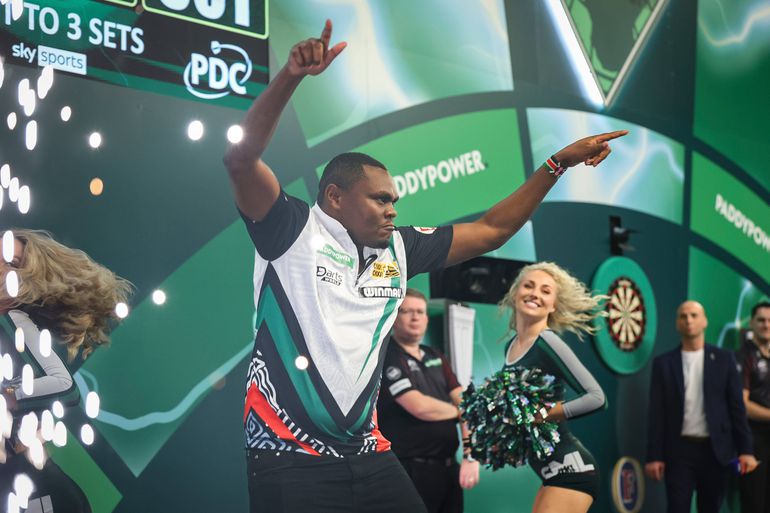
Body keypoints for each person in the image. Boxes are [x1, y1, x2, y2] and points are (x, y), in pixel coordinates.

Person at [223, 19, 627, 513]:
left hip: (368, 455)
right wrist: (290, 76)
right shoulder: (290, 229)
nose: (393, 210)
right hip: (288, 457)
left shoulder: (401, 248)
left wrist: (557, 163)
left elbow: (493, 229)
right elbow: (240, 160)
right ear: (334, 197)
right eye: (380, 199)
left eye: (395, 200)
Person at [0, 229, 132, 513]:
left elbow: (64, 386)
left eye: (11, 262)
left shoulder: (14, 320)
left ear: (25, 281)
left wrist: (8, 395)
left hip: (33, 486)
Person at [497, 262, 606, 513]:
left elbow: (597, 397)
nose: (535, 294)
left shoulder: (547, 342)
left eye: (545, 291)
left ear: (553, 305)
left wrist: (543, 415)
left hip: (571, 469)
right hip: (551, 471)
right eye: (529, 286)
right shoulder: (511, 346)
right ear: (515, 292)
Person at [645, 300, 758, 513]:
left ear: (705, 321)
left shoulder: (724, 359)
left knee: (710, 508)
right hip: (678, 452)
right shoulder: (664, 363)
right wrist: (654, 456)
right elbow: (657, 413)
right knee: (677, 508)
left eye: (694, 315)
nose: (688, 320)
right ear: (677, 323)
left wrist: (746, 450)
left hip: (715, 451)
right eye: (683, 316)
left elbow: (737, 409)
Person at [377, 288, 479, 513]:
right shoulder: (387, 355)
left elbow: (465, 401)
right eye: (407, 311)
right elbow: (419, 407)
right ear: (394, 317)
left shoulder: (435, 355)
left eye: (420, 312)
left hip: (449, 467)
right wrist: (459, 410)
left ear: (426, 318)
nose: (415, 317)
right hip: (411, 470)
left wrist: (470, 455)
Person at [738, 301, 770, 513]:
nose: (766, 325)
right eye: (761, 320)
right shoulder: (743, 356)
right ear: (752, 323)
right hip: (753, 443)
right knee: (755, 504)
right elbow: (743, 405)